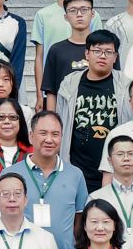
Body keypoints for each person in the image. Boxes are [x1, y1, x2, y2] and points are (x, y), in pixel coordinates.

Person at [0, 111, 91, 249]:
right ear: (31, 136)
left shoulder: (75, 174)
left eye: (55, 134)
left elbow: (80, 219)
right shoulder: (10, 174)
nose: (49, 140)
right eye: (43, 133)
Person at [54, 30, 128, 187]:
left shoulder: (126, 86)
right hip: (76, 171)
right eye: (97, 51)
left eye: (108, 52)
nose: (102, 56)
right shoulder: (69, 84)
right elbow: (60, 123)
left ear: (115, 57)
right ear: (87, 54)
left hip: (114, 172)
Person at [29, 0, 96, 99]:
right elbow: (39, 57)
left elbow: (97, 48)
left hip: (87, 86)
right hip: (53, 85)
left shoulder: (91, 15)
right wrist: (39, 94)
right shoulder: (43, 15)